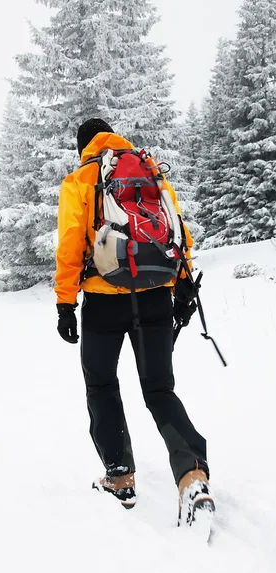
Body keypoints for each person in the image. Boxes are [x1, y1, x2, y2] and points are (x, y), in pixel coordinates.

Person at [54, 118, 214, 523]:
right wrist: (183, 285)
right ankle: (192, 475)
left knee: (102, 384)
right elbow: (177, 229)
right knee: (160, 388)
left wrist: (65, 303)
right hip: (157, 294)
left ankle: (120, 476)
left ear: (82, 146)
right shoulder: (147, 168)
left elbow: (72, 240)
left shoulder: (82, 179)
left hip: (104, 301)